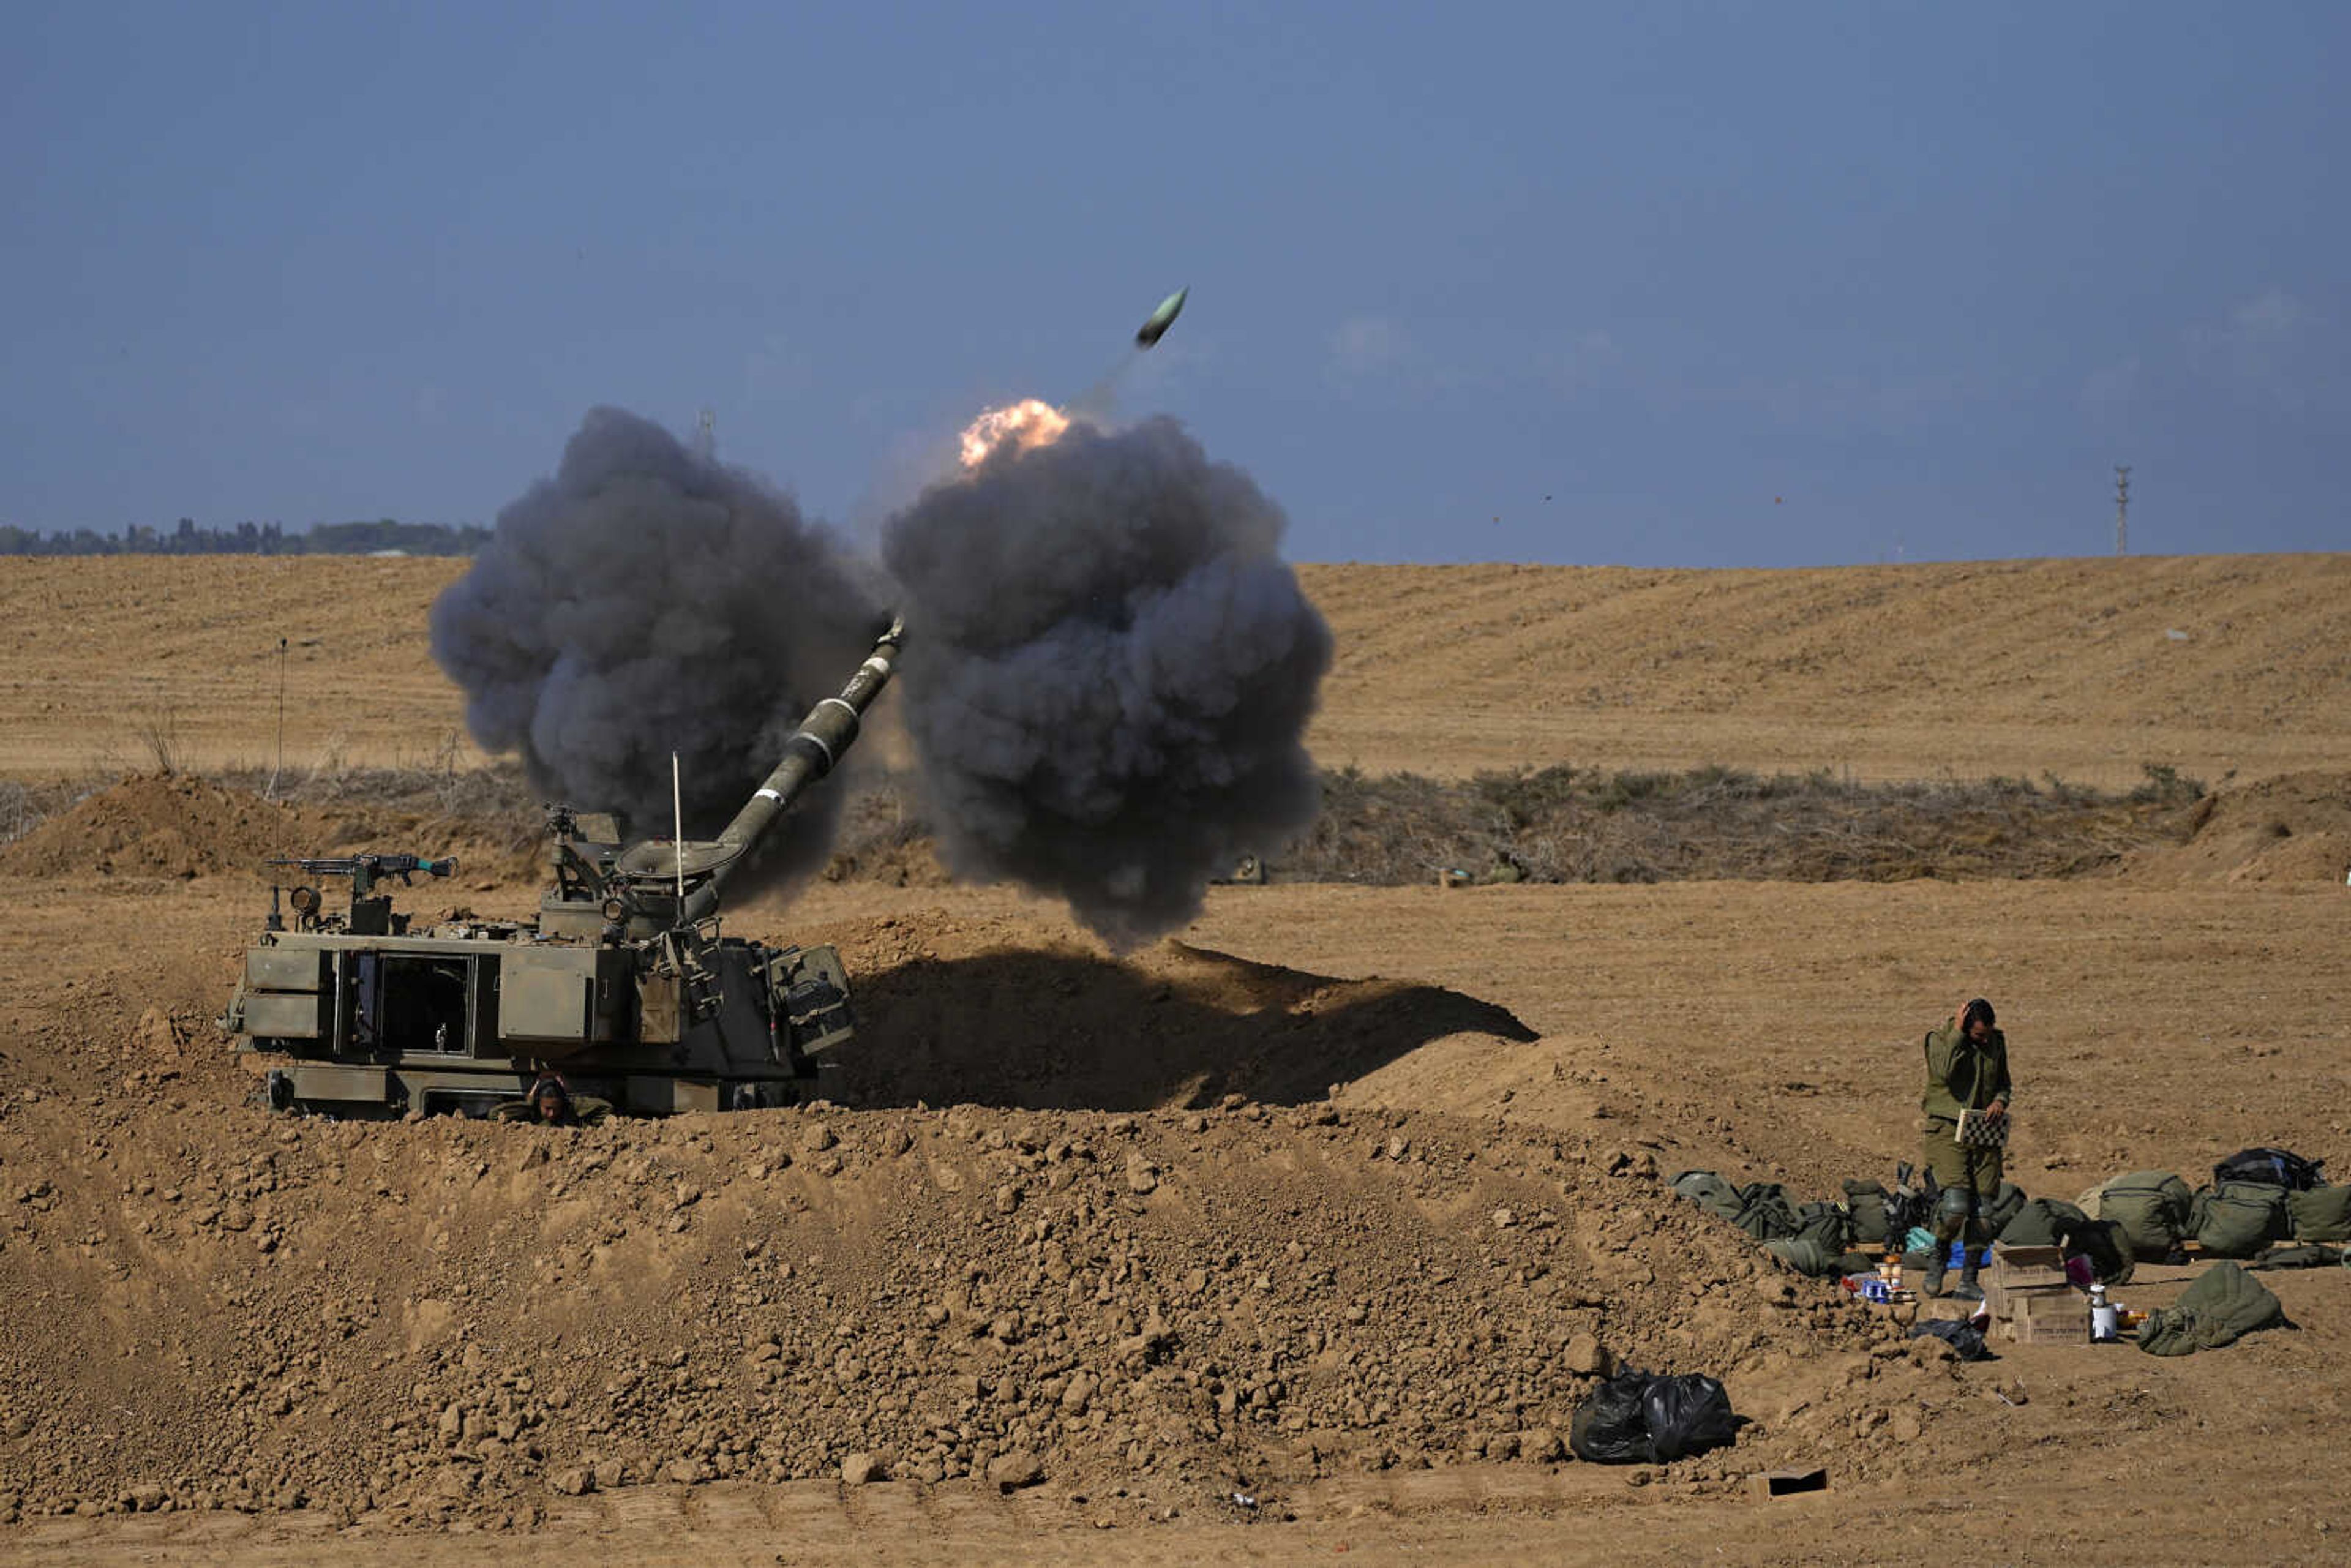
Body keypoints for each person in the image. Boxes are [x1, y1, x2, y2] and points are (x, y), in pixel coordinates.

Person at [1918, 997, 2011, 1300]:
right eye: (1978, 1035)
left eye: (1988, 1035)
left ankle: (1968, 1279)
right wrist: (1958, 1033)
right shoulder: (1940, 1040)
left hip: (1983, 1128)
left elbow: (2004, 1082)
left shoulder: (1996, 1042)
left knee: (1984, 1212)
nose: (1985, 1041)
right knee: (1956, 1206)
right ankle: (1939, 1258)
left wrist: (2000, 1101)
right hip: (1947, 1129)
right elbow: (1943, 1071)